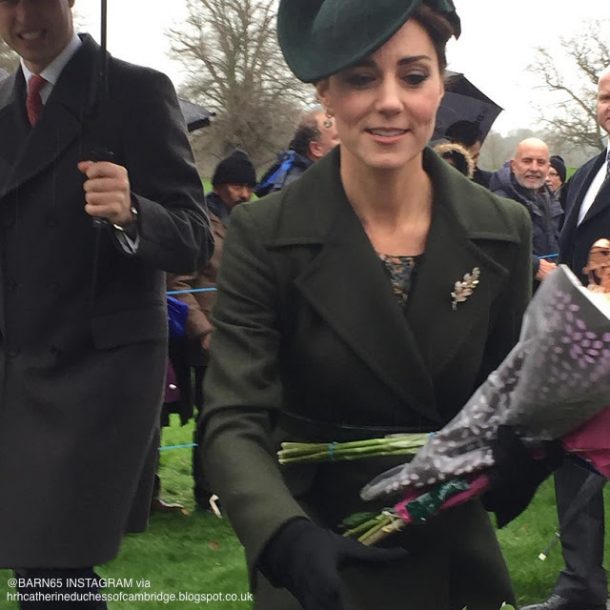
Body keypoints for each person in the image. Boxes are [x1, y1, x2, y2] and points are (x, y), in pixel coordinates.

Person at [201, 1, 537, 609]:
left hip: (449, 546)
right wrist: (280, 533)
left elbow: (506, 391)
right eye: (360, 78)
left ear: (441, 84)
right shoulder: (264, 233)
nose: (389, 101)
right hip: (316, 545)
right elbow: (233, 417)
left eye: (413, 76)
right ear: (325, 93)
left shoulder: (503, 228)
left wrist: (521, 451)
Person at [0, 0, 211, 608]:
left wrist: (134, 210)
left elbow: (194, 237)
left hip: (97, 372)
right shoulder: (2, 105)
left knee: (51, 561)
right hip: (16, 366)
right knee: (39, 568)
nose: (21, 16)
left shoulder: (137, 92)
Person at [521, 66, 610, 610]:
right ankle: (582, 585)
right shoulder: (585, 173)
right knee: (575, 459)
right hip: (582, 345)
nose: (609, 105)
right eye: (604, 96)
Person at [166, 149, 256, 510]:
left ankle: (238, 489)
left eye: (249, 187)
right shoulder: (199, 222)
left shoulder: (249, 219)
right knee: (211, 417)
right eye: (237, 186)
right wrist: (203, 332)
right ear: (219, 186)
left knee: (243, 417)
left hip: (245, 336)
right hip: (208, 340)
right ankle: (207, 492)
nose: (245, 194)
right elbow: (179, 283)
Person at [490, 138, 564, 283]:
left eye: (541, 162)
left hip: (547, 290)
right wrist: (534, 265)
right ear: (513, 165)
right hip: (515, 294)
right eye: (527, 161)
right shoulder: (500, 202)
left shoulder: (549, 198)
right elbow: (493, 250)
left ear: (548, 167)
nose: (534, 168)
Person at [254, 107, 339, 197]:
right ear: (316, 148)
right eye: (338, 137)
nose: (348, 140)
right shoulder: (299, 190)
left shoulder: (321, 179)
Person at [445, 119, 492, 188]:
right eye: (468, 158)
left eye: (475, 156)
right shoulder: (433, 171)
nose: (473, 162)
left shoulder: (480, 183)